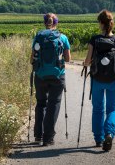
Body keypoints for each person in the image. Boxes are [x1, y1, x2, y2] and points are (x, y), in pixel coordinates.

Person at [83, 9, 115, 151]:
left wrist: (85, 64)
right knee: (112, 108)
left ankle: (98, 138)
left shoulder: (95, 40)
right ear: (112, 23)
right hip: (113, 79)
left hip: (97, 79)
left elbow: (87, 61)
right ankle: (109, 133)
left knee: (98, 108)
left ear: (100, 23)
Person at [30, 13, 71, 146]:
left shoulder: (38, 37)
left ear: (44, 23)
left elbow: (32, 58)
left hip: (40, 75)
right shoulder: (62, 37)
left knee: (41, 103)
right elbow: (68, 58)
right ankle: (48, 138)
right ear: (56, 23)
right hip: (57, 75)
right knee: (54, 104)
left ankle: (38, 135)